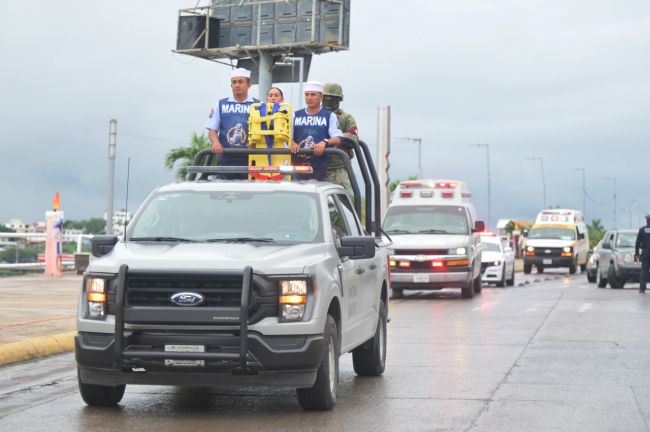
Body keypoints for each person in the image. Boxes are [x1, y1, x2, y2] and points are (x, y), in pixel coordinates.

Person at [205, 68, 259, 179]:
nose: (237, 85)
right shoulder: (220, 104)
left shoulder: (258, 105)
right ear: (231, 85)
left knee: (250, 189)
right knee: (224, 188)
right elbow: (212, 131)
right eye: (234, 82)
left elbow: (263, 131)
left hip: (251, 158)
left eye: (240, 82)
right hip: (226, 157)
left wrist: (256, 143)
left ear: (249, 85)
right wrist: (216, 143)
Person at [291, 81, 343, 181]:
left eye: (313, 95)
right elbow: (287, 136)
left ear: (321, 97)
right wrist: (292, 143)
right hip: (297, 167)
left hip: (322, 168)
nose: (309, 98)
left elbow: (338, 137)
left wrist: (324, 142)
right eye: (307, 94)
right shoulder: (295, 115)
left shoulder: (329, 116)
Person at [322, 83, 358, 192]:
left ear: (339, 99)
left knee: (338, 195)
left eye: (333, 98)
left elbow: (354, 139)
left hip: (337, 166)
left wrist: (337, 137)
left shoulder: (346, 118)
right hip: (315, 163)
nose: (329, 100)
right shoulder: (314, 115)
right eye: (327, 98)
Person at [634, 214, 650, 293]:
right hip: (646, 251)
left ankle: (642, 288)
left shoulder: (642, 230)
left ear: (647, 221)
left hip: (645, 252)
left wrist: (637, 254)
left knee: (644, 270)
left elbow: (637, 243)